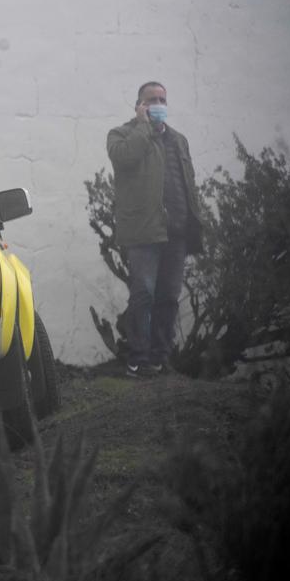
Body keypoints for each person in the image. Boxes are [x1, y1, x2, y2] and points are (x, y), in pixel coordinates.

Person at [107, 82, 203, 378]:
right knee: (143, 295)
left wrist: (193, 224)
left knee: (169, 297)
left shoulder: (178, 140)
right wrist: (142, 125)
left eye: (162, 99)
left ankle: (161, 358)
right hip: (144, 232)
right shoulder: (121, 135)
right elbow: (124, 158)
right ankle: (138, 359)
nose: (159, 103)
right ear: (139, 105)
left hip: (177, 232)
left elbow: (188, 182)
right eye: (152, 100)